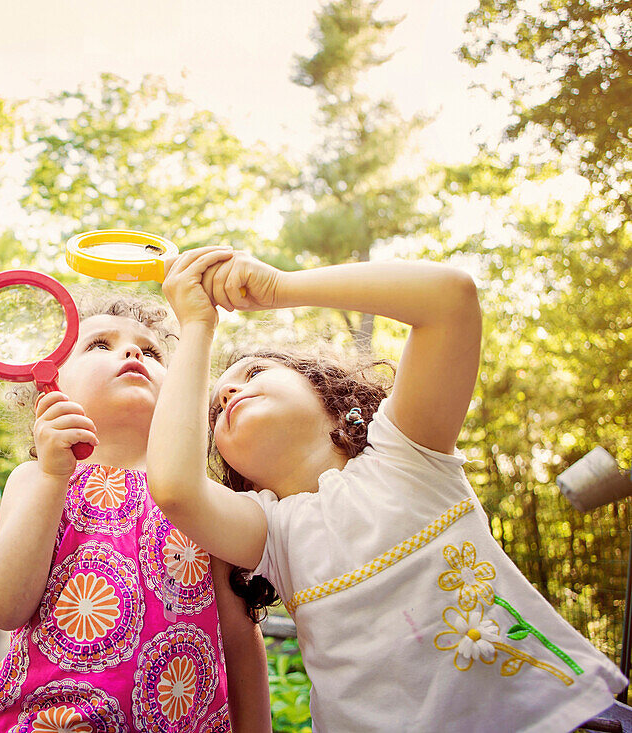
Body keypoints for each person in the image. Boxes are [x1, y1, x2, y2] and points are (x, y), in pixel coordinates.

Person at [148, 248, 628, 732]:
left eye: (253, 373)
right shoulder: (270, 531)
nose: (228, 393)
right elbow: (175, 489)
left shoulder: (407, 455)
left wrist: (280, 289)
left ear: (328, 394)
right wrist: (196, 328)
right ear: (240, 476)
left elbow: (450, 299)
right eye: (215, 410)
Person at [0, 287, 271, 733]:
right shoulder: (39, 481)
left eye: (152, 351)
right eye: (98, 344)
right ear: (48, 388)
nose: (131, 351)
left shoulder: (201, 500)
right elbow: (3, 607)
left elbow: (242, 642)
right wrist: (53, 476)